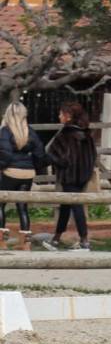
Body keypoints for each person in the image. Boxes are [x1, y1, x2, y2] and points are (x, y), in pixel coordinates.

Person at [42, 101, 98, 250]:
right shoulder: (86, 134)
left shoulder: (65, 135)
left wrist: (50, 158)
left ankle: (84, 239)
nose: (59, 116)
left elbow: (63, 159)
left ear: (68, 116)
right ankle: (56, 238)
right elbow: (93, 157)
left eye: (61, 113)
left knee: (75, 205)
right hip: (82, 176)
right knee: (66, 205)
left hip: (69, 176)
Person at [0, 101, 47, 251]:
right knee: (22, 206)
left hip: (9, 172)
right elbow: (40, 155)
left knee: (0, 204)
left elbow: (5, 155)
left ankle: (2, 242)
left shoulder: (5, 132)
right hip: (27, 174)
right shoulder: (31, 132)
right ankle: (26, 243)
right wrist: (34, 167)